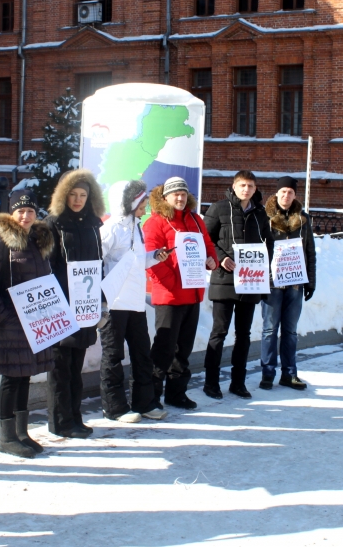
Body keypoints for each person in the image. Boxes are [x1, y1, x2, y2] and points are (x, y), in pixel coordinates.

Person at [0, 191, 57, 457]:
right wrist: (2, 317)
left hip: (35, 322)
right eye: (20, 211)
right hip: (13, 323)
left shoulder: (38, 241)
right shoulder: (0, 242)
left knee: (26, 375)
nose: (25, 216)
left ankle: (22, 432)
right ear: (11, 213)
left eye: (30, 212)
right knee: (11, 378)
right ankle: (5, 437)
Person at [143, 177, 218, 410]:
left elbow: (208, 245)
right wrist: (174, 281)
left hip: (192, 293)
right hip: (169, 295)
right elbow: (151, 259)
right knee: (164, 349)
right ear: (165, 197)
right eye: (175, 194)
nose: (180, 197)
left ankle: (177, 393)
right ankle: (152, 396)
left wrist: (211, 260)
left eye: (183, 194)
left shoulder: (196, 219)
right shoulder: (155, 222)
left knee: (183, 349)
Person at [98, 180, 170, 422]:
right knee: (113, 354)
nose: (145, 207)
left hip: (136, 302)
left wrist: (155, 257)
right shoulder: (110, 228)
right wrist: (101, 297)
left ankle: (144, 402)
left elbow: (137, 262)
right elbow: (97, 260)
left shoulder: (137, 227)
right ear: (128, 202)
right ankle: (114, 407)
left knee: (142, 354)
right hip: (115, 303)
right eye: (141, 202)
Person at [45, 169, 105, 438]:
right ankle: (61, 421)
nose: (78, 199)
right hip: (61, 304)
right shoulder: (53, 224)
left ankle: (75, 416)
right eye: (73, 194)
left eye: (83, 194)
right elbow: (47, 266)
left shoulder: (94, 224)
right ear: (63, 196)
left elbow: (98, 264)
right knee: (60, 369)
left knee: (75, 367)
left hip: (85, 306)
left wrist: (99, 299)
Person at [202, 170, 271, 399]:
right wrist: (221, 257)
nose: (246, 190)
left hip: (249, 283)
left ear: (255, 188)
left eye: (250, 186)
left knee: (244, 334)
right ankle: (211, 382)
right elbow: (206, 239)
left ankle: (238, 382)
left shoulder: (260, 213)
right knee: (219, 332)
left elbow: (268, 243)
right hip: (224, 280)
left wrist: (265, 266)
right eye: (242, 185)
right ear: (234, 186)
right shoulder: (219, 208)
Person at [260, 176, 316, 391]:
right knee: (269, 330)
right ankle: (267, 373)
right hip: (272, 283)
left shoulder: (303, 219)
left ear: (295, 195)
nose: (286, 196)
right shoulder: (265, 217)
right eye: (283, 192)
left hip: (295, 283)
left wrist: (311, 282)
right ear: (276, 194)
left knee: (290, 331)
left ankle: (289, 374)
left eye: (290, 192)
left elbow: (310, 251)